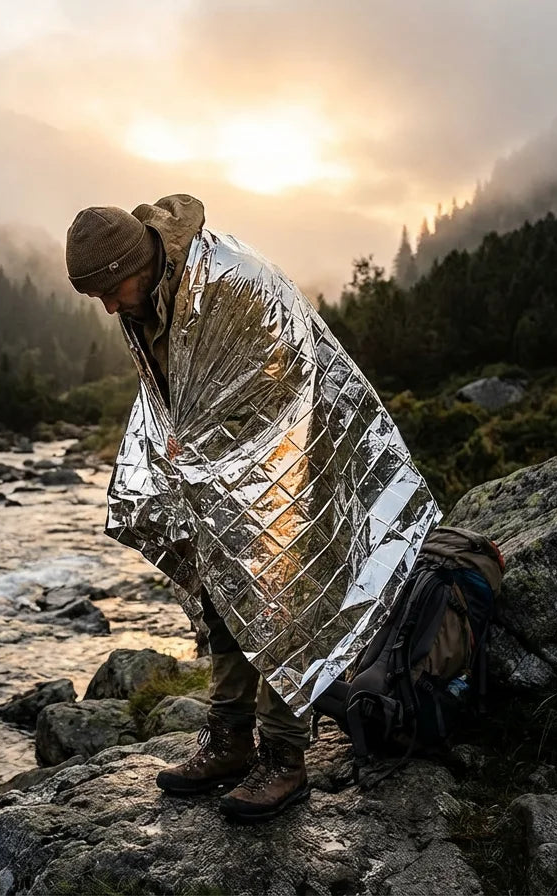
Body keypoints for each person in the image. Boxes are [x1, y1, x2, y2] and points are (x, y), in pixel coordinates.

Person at [64, 195, 439, 822]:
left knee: (280, 597)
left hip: (293, 451)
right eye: (95, 296)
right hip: (211, 464)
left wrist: (213, 441)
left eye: (111, 289)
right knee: (221, 592)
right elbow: (178, 388)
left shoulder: (232, 283)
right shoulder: (146, 294)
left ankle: (284, 760)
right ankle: (230, 740)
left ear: (140, 259)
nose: (108, 306)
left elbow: (289, 378)